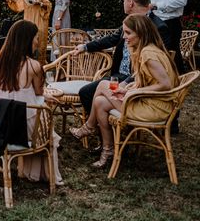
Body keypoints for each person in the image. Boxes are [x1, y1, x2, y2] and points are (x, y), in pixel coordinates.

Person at [70, 14, 179, 168]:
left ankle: (89, 126)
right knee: (100, 101)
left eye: (128, 33)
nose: (124, 36)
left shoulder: (148, 54)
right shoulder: (146, 49)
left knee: (102, 86)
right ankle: (108, 150)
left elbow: (166, 85)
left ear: (140, 33)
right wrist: (129, 88)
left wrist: (132, 93)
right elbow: (146, 79)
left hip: (155, 108)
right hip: (149, 101)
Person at [75, 0, 171, 116]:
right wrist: (85, 47)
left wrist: (127, 83)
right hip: (119, 75)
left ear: (130, 2)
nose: (123, 2)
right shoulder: (129, 22)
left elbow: (158, 61)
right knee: (88, 91)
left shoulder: (158, 27)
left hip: (136, 79)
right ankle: (101, 125)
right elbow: (111, 38)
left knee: (88, 92)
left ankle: (98, 125)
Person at [0, 20, 63, 185]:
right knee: (45, 124)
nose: (38, 41)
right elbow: (38, 93)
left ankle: (30, 170)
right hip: (20, 128)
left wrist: (43, 97)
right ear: (27, 40)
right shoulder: (33, 66)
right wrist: (45, 97)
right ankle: (42, 174)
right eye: (36, 37)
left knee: (38, 112)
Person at [6, 0, 52, 64]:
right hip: (27, 22)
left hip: (39, 23)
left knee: (39, 48)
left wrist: (39, 3)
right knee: (27, 45)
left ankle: (40, 68)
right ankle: (27, 67)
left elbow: (49, 6)